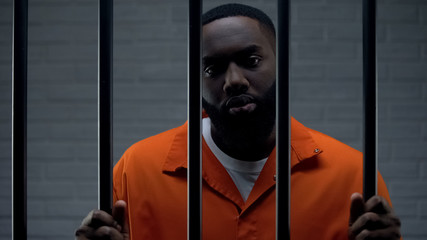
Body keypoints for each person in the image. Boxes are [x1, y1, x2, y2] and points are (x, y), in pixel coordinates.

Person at [75, 3, 401, 240]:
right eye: (212, 68)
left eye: (251, 60)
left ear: (281, 64)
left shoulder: (353, 175)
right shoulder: (138, 169)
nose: (234, 80)